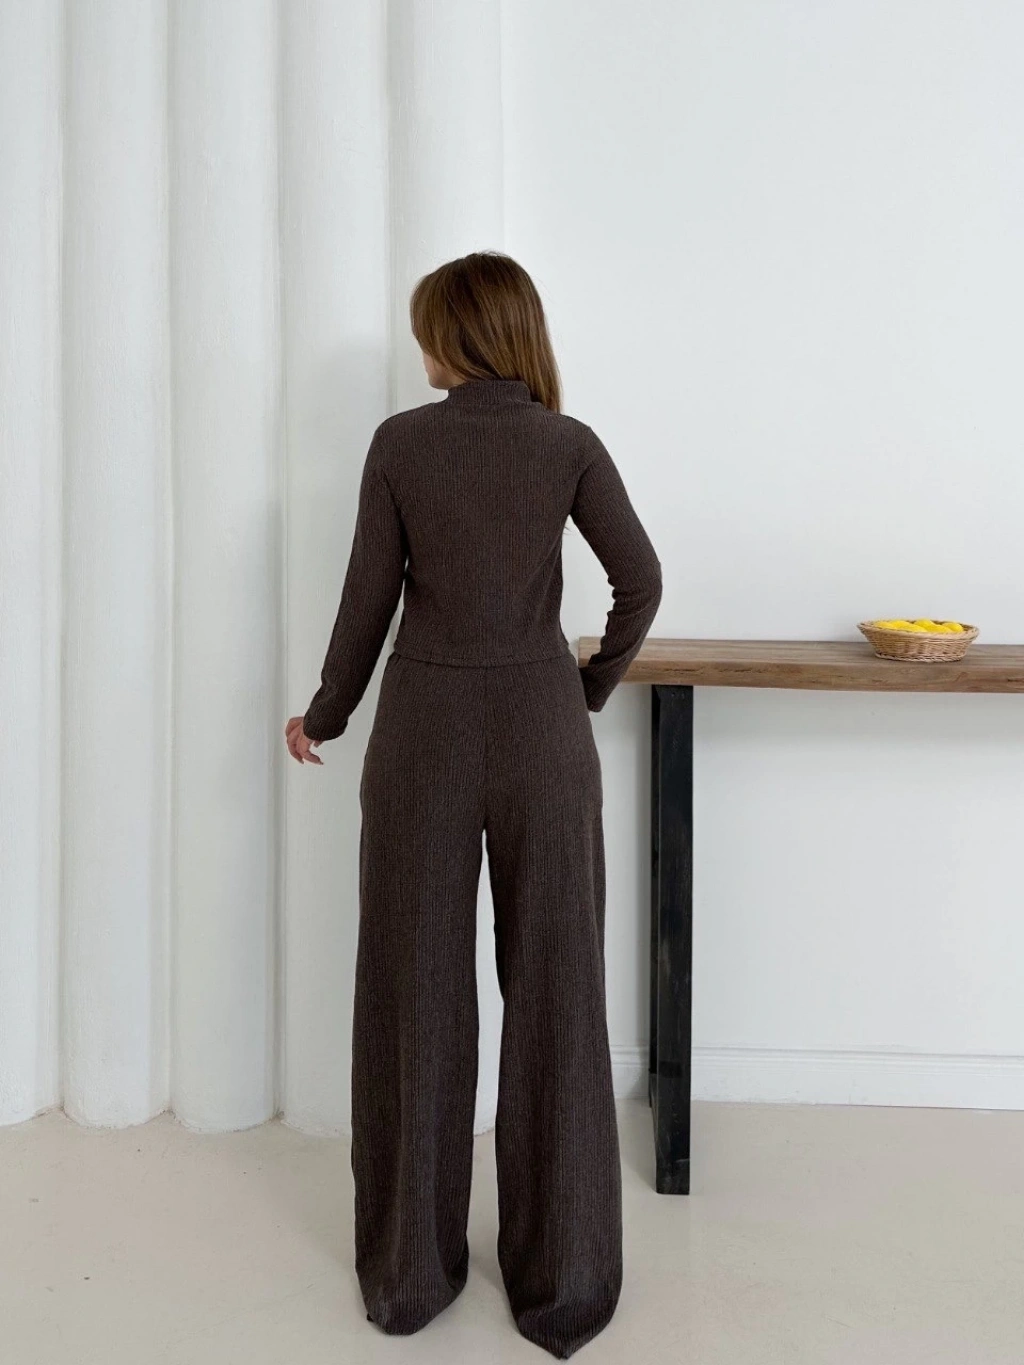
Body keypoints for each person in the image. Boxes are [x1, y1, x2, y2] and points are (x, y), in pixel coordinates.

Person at [284, 251, 662, 1359]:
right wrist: (584, 686)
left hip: (424, 740)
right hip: (545, 734)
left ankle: (409, 1276)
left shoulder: (403, 444)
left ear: (455, 337)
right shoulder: (567, 443)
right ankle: (567, 1285)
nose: (418, 347)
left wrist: (325, 712)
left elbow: (367, 600)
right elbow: (639, 582)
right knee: (558, 996)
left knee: (414, 996)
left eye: (425, 328)